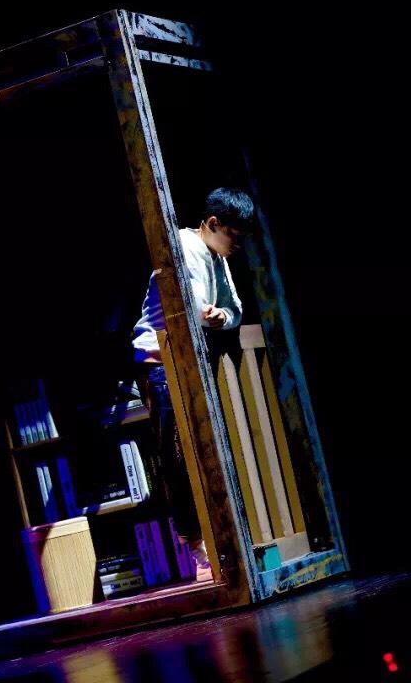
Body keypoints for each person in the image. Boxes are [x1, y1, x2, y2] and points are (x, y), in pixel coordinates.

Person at [132, 187, 255, 582]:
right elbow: (184, 304)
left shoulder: (217, 257)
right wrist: (207, 315)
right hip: (160, 362)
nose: (237, 246)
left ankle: (217, 542)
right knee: (177, 455)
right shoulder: (181, 245)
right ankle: (196, 549)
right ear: (213, 223)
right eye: (233, 236)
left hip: (189, 360)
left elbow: (233, 309)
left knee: (204, 452)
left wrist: (222, 317)